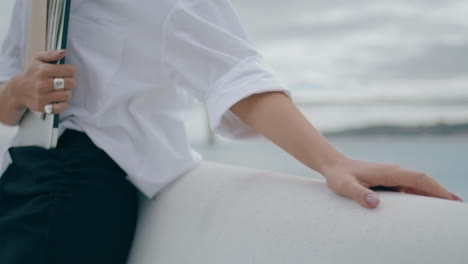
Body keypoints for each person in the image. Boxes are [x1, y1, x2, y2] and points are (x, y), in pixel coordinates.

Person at [0, 0, 462, 263]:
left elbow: (236, 75)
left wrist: (332, 161)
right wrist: (21, 90)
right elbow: (5, 106)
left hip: (81, 187)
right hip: (22, 173)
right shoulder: (35, 2)